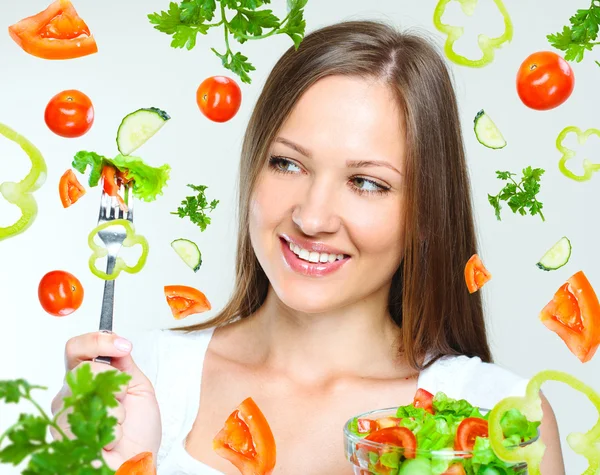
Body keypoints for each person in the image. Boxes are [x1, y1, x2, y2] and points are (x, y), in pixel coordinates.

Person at [50, 20, 565, 474]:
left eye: (367, 182)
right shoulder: (143, 382)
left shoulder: (499, 418)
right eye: (288, 164)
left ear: (426, 213)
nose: (312, 218)